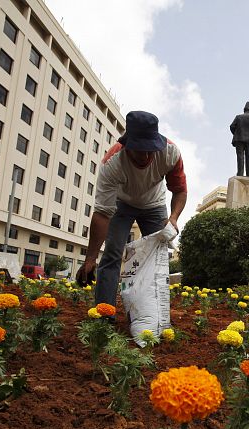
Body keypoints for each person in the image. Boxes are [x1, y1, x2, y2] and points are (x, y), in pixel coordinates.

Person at [76, 110, 187, 309]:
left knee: (156, 258)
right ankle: (104, 313)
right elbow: (102, 214)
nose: (145, 155)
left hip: (154, 205)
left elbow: (179, 190)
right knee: (112, 254)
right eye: (139, 149)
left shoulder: (170, 153)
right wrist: (90, 258)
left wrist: (173, 218)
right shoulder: (112, 162)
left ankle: (152, 314)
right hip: (121, 205)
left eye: (149, 149)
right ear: (127, 145)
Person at [230, 101, 249, 177]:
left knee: (240, 157)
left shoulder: (238, 117)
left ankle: (240, 174)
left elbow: (232, 126)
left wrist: (237, 134)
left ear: (244, 109)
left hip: (239, 140)